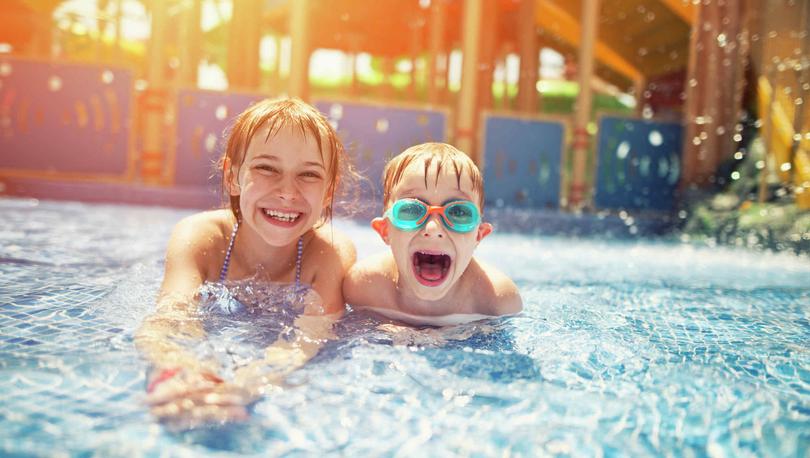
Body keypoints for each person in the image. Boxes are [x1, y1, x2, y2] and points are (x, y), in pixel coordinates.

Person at [135, 98, 356, 428]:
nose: (287, 191)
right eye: (267, 168)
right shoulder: (201, 238)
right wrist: (182, 369)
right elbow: (170, 316)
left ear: (328, 192)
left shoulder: (328, 255)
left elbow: (308, 338)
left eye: (309, 174)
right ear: (232, 176)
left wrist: (249, 383)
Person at [343, 142, 522, 327]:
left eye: (458, 212)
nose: (433, 229)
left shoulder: (497, 303)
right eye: (412, 210)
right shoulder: (363, 288)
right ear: (385, 230)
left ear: (478, 235)